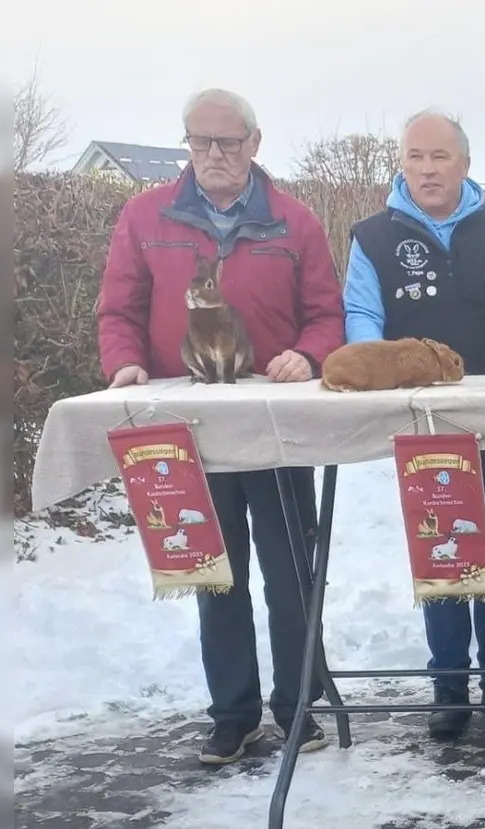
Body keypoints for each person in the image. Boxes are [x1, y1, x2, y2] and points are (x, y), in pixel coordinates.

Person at [96, 87, 345, 764]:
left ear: (254, 144)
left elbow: (327, 313)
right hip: (187, 432)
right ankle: (231, 715)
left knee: (292, 570)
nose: (212, 155)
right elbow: (118, 311)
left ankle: (299, 709)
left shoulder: (295, 222)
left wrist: (309, 353)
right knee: (214, 571)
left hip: (278, 427)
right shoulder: (144, 216)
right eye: (199, 141)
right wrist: (123, 364)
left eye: (227, 143)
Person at [342, 109, 485, 739]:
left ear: (466, 164)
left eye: (439, 157)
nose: (426, 169)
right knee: (442, 549)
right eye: (415, 157)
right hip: (423, 427)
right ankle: (448, 684)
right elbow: (362, 319)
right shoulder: (371, 237)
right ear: (401, 163)